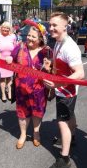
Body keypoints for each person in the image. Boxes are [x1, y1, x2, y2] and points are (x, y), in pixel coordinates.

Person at [43, 12, 85, 168]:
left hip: (66, 90)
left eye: (54, 25)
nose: (50, 28)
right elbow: (61, 66)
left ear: (65, 26)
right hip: (62, 88)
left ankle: (64, 158)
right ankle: (72, 136)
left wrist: (56, 83)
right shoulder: (58, 42)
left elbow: (80, 73)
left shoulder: (70, 47)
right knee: (69, 116)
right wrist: (50, 68)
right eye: (50, 25)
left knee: (62, 122)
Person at [6, 19, 52, 149]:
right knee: (22, 113)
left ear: (41, 39)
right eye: (29, 35)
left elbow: (51, 69)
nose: (30, 39)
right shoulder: (20, 47)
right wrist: (9, 58)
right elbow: (11, 58)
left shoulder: (46, 51)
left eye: (33, 37)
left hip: (39, 90)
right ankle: (23, 134)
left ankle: (36, 134)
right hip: (21, 88)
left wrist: (48, 68)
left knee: (37, 112)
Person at [0, 21, 17, 102]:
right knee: (2, 78)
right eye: (4, 27)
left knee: (10, 77)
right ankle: (3, 94)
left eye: (7, 28)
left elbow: (16, 47)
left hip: (10, 61)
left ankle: (9, 91)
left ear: (10, 29)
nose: (5, 29)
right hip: (0, 60)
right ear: (1, 27)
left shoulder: (13, 36)